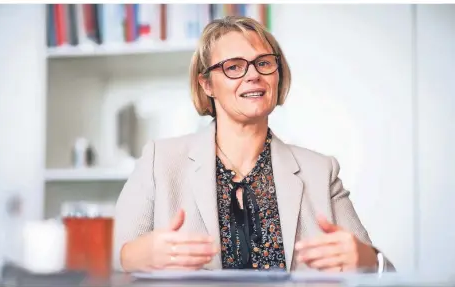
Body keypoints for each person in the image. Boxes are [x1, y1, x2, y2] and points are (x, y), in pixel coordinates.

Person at [114, 15, 395, 273]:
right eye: (233, 66)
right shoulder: (160, 161)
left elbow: (387, 274)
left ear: (277, 73)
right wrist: (131, 258)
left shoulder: (321, 171)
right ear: (207, 85)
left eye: (263, 63)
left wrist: (369, 260)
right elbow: (105, 261)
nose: (253, 75)